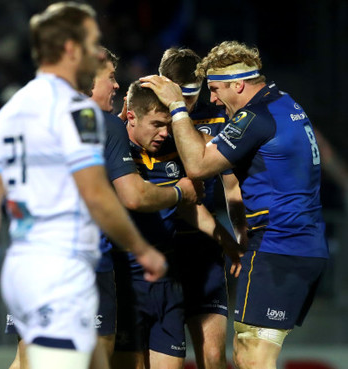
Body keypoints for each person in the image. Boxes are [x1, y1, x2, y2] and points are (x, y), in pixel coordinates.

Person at [0, 4, 166, 369]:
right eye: (90, 41)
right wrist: (141, 248)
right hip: (67, 266)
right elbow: (96, 194)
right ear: (71, 49)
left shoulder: (10, 110)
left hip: (23, 266)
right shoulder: (79, 113)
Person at [4, 46, 201, 369]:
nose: (116, 86)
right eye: (109, 77)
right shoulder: (104, 125)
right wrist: (180, 192)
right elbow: (134, 196)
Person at [141, 40, 329, 369]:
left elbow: (199, 166)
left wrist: (177, 108)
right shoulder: (285, 103)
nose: (212, 99)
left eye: (215, 89)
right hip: (304, 244)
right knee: (250, 353)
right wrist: (241, 235)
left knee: (252, 356)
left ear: (238, 84)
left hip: (276, 247)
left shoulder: (254, 117)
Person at [111, 80, 242, 369]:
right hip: (124, 281)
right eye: (157, 124)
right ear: (131, 115)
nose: (164, 132)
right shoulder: (112, 144)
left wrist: (228, 242)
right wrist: (180, 191)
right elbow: (138, 198)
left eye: (168, 124)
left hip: (167, 282)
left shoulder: (173, 149)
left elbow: (188, 208)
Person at [158, 47, 247, 369]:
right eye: (179, 97)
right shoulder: (142, 119)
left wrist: (240, 233)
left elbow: (232, 184)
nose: (185, 105)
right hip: (159, 245)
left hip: (203, 246)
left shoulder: (218, 118)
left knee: (212, 357)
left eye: (192, 97)